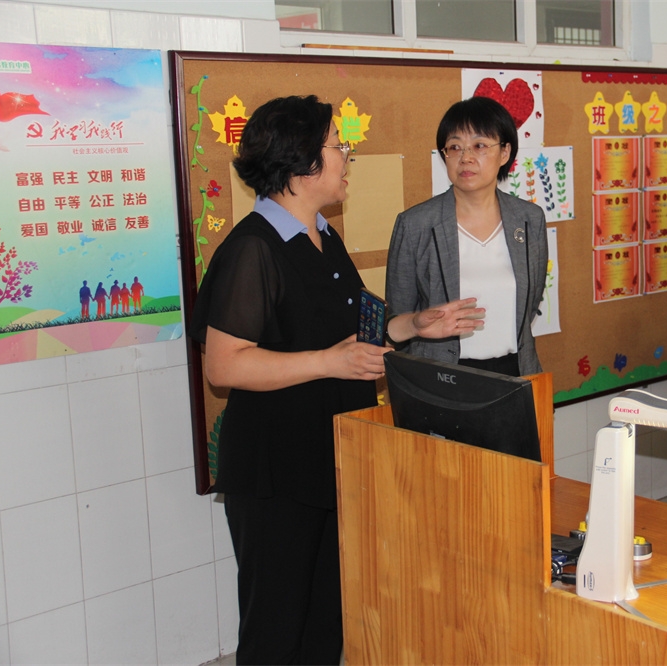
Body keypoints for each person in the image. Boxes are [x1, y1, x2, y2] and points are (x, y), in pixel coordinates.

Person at [187, 95, 483, 664]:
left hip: (332, 457)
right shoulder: (253, 248)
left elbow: (353, 334)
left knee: (326, 623)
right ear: (301, 162)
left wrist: (413, 325)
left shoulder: (323, 236)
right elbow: (224, 366)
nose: (347, 156)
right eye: (336, 145)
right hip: (276, 470)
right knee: (276, 632)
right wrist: (327, 362)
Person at [386, 96, 548, 377]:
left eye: (480, 145)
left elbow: (530, 303)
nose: (466, 158)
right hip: (441, 376)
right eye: (455, 147)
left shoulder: (529, 219)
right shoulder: (415, 225)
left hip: (516, 372)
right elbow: (398, 316)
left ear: (505, 153)